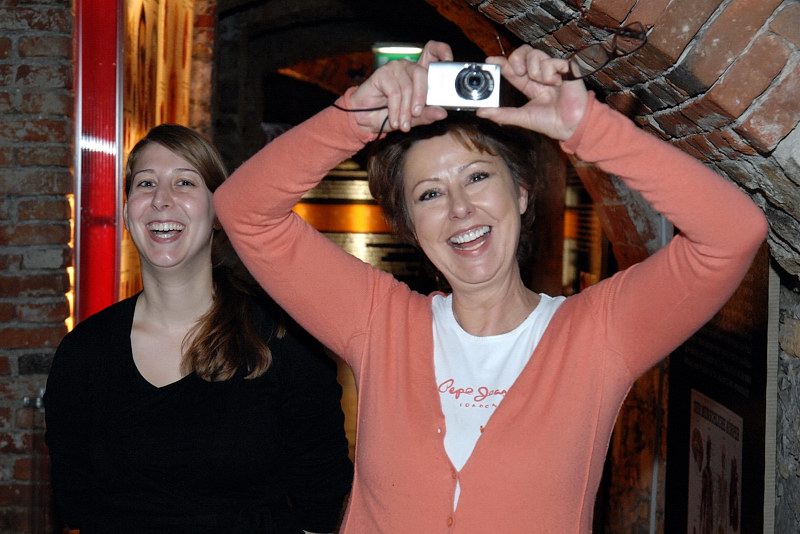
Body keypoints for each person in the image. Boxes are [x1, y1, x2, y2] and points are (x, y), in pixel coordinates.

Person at [214, 40, 768, 532]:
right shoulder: (378, 321)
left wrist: (588, 128)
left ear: (521, 193)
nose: (460, 208)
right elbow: (244, 210)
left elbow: (732, 234)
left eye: (477, 177)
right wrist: (355, 118)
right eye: (430, 194)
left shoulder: (598, 335)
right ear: (411, 226)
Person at [44, 124, 353, 534]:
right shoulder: (83, 353)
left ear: (218, 211)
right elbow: (75, 503)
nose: (161, 199)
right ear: (127, 211)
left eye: (185, 182)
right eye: (146, 183)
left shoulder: (282, 342)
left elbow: (323, 501)